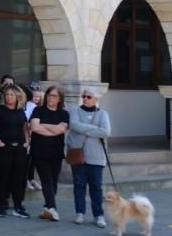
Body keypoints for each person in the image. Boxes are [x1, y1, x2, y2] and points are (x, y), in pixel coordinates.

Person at [66, 87, 111, 228]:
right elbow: (73, 125)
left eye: (89, 97)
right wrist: (94, 130)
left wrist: (83, 128)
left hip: (96, 157)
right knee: (79, 185)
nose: (85, 98)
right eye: (84, 96)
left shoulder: (103, 114)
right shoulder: (74, 111)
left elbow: (105, 132)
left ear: (96, 99)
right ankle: (80, 213)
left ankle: (99, 215)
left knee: (96, 187)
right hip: (78, 154)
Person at [0, 84, 31, 219]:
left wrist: (26, 143)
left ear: (18, 96)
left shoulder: (20, 111)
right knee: (2, 177)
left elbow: (25, 129)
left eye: (12, 94)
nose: (9, 97)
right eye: (7, 94)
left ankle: (18, 206)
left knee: (18, 178)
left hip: (19, 149)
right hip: (3, 148)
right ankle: (2, 206)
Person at [30, 86, 68, 222]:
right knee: (46, 180)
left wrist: (44, 126)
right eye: (49, 95)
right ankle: (52, 208)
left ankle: (47, 208)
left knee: (53, 180)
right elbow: (34, 127)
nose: (50, 98)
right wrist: (53, 129)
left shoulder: (64, 114)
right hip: (39, 151)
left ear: (59, 99)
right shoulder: (38, 110)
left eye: (54, 96)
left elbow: (61, 130)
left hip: (56, 152)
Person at [24, 85, 44, 191]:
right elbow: (27, 120)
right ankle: (26, 179)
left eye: (38, 96)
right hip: (29, 136)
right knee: (28, 159)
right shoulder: (30, 106)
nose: (36, 98)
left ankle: (31, 179)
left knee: (32, 159)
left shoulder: (37, 107)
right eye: (34, 96)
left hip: (35, 137)